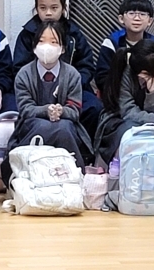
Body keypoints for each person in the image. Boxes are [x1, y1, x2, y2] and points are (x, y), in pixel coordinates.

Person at [12, 0, 101, 134]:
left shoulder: (74, 34)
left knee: (94, 107)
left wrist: (71, 85)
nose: (48, 13)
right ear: (36, 9)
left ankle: (83, 143)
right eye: (43, 8)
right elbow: (19, 66)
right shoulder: (27, 34)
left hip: (72, 88)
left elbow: (86, 65)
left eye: (54, 8)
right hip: (37, 91)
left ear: (63, 8)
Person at [6, 21, 93, 168]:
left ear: (62, 48)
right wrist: (46, 111)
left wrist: (61, 111)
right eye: (41, 41)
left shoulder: (72, 74)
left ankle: (71, 172)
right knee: (46, 127)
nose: (47, 47)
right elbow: (25, 109)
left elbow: (75, 110)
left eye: (53, 42)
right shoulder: (24, 74)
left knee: (64, 127)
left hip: (65, 124)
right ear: (34, 47)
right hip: (31, 124)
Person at [95, 38, 154, 165]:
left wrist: (152, 91)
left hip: (153, 124)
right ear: (144, 73)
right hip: (118, 120)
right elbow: (127, 112)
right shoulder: (126, 74)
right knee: (131, 131)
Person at [96, 0, 154, 92]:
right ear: (121, 18)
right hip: (116, 94)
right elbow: (102, 77)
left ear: (150, 21)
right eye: (132, 13)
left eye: (142, 14)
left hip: (148, 94)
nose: (137, 18)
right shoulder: (111, 43)